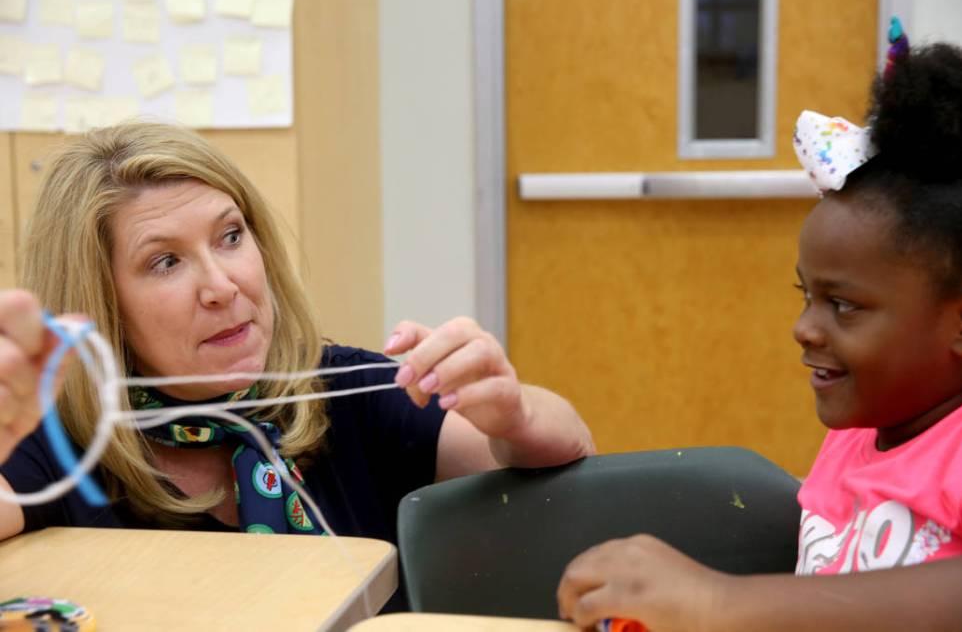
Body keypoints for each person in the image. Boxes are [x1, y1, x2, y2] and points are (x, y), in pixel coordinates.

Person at [0, 123, 595, 578]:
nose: (223, 286)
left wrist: (513, 413)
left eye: (231, 237)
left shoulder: (338, 388)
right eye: (166, 262)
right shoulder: (59, 447)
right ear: (103, 305)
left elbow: (567, 458)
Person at [557, 38, 962, 630]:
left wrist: (720, 602)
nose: (804, 328)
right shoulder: (860, 434)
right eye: (805, 295)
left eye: (844, 305)